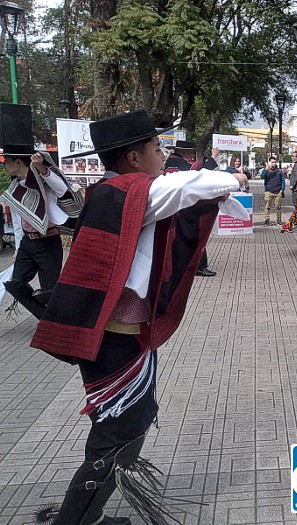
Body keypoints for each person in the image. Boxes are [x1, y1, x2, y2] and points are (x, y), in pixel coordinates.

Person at [27, 109, 247, 525]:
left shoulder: (123, 194)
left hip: (126, 336)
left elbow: (185, 193)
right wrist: (232, 179)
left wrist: (216, 194)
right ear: (132, 157)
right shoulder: (127, 193)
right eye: (155, 147)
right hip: (115, 341)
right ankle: (72, 521)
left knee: (130, 423)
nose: (162, 154)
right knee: (115, 431)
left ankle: (86, 517)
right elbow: (187, 186)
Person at [1, 143, 82, 318]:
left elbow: (62, 189)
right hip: (27, 243)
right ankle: (47, 317)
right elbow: (17, 220)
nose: (4, 165)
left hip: (48, 243)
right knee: (15, 284)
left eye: (6, 161)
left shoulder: (42, 180)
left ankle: (51, 321)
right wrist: (17, 248)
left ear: (17, 162)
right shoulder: (15, 189)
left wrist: (41, 168)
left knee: (48, 291)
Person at [163, 140, 220, 277]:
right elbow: (203, 173)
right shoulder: (184, 165)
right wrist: (213, 157)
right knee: (196, 235)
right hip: (187, 207)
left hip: (173, 206)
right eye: (190, 153)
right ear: (183, 152)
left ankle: (185, 264)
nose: (192, 156)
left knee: (178, 237)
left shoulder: (169, 163)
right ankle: (199, 266)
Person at [260, 156, 286, 226]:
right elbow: (262, 177)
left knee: (278, 207)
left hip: (278, 191)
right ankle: (267, 220)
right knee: (267, 206)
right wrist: (266, 169)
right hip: (268, 191)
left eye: (275, 162)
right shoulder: (266, 170)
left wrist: (282, 190)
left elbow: (283, 180)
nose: (274, 163)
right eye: (272, 162)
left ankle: (279, 220)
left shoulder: (279, 171)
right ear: (269, 163)